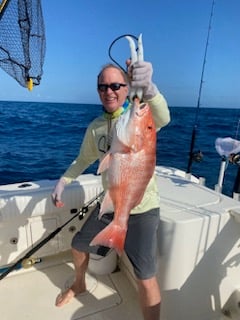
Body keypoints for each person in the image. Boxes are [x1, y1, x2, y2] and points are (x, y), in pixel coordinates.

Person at [51, 59, 170, 320]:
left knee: (146, 275)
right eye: (102, 87)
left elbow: (163, 117)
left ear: (127, 88)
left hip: (143, 207)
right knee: (78, 244)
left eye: (116, 85)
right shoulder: (95, 128)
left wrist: (149, 88)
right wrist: (63, 182)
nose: (109, 91)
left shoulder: (139, 116)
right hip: (113, 201)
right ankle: (80, 283)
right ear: (98, 91)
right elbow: (83, 159)